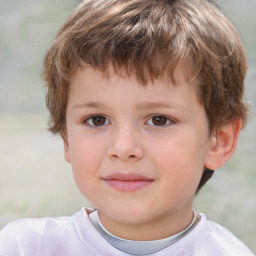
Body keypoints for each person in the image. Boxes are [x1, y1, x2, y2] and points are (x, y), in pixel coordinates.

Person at [0, 0, 254, 255]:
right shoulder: (24, 248)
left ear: (219, 141)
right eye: (97, 120)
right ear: (67, 139)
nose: (123, 148)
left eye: (159, 120)